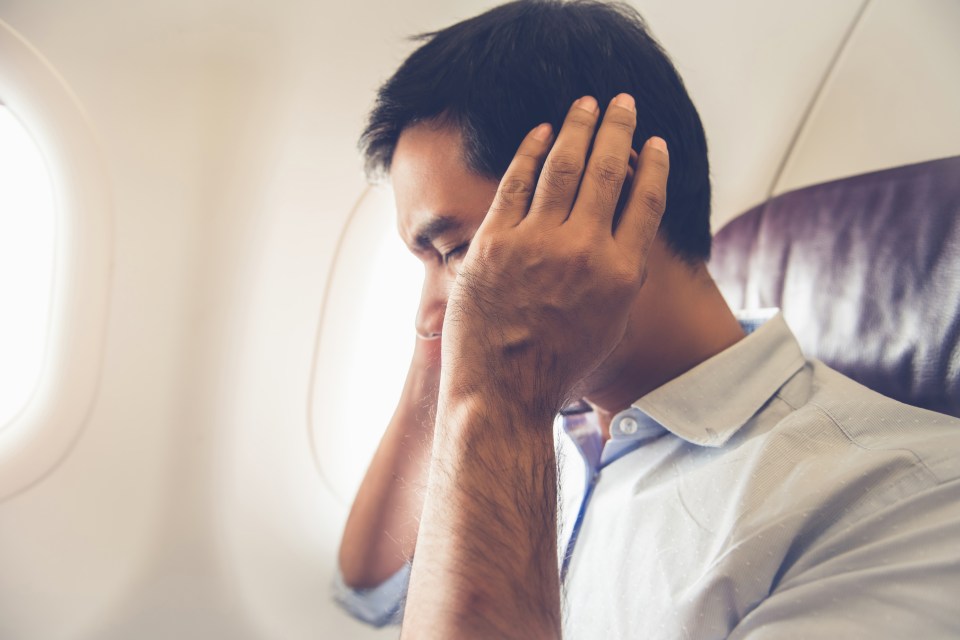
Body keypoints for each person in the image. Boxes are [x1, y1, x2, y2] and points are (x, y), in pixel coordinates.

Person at [334, 1, 960, 638]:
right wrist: (443, 353)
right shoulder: (543, 428)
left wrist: (502, 395)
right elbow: (374, 595)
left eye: (456, 249)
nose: (427, 311)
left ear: (607, 194)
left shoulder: (908, 500)